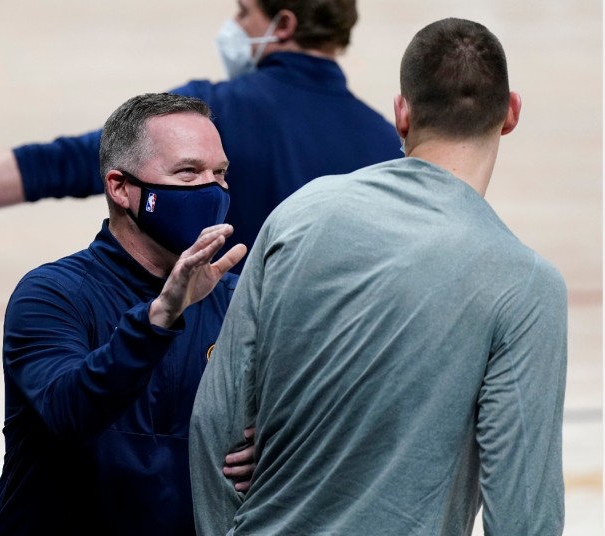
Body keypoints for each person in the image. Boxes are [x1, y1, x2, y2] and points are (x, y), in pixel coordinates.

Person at [189, 17, 567, 536]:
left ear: (402, 114)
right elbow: (523, 510)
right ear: (511, 113)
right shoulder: (525, 285)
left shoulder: (300, 214)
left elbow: (216, 421)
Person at [0, 0, 401, 272]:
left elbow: (63, 164)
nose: (234, 25)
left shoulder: (212, 113)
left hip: (219, 367)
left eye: (243, 11)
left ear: (282, 25)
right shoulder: (384, 143)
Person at [0, 92, 255, 535]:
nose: (212, 189)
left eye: (220, 173)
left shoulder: (237, 301)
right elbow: (70, 412)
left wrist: (280, 447)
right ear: (121, 188)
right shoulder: (51, 295)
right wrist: (159, 318)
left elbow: (305, 416)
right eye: (188, 172)